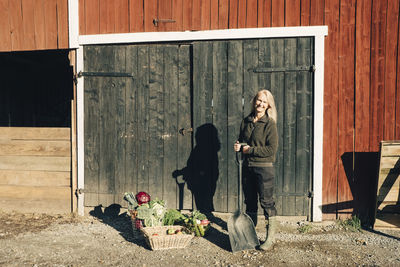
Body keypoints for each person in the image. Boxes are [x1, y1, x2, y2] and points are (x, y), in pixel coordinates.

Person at [233, 89, 278, 251]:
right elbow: (242, 140)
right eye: (259, 100)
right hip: (247, 167)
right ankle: (250, 236)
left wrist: (249, 150)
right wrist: (239, 146)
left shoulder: (269, 124)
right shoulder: (246, 121)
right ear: (254, 102)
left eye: (264, 102)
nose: (260, 104)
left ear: (268, 105)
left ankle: (270, 238)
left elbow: (271, 150)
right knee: (250, 201)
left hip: (264, 169)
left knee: (266, 202)